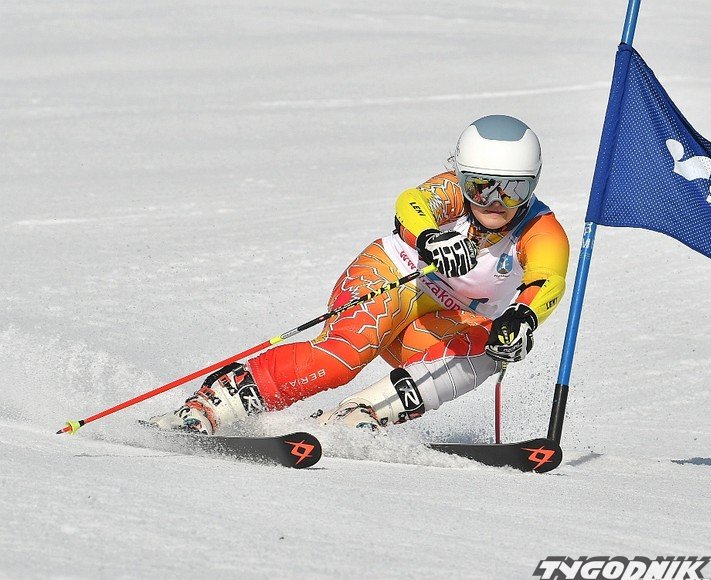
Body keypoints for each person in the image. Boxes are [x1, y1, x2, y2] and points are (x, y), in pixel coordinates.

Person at [148, 115, 569, 434]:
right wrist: (429, 239)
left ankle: (360, 414)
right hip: (392, 280)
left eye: (513, 189)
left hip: (440, 321)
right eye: (480, 186)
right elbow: (412, 203)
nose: (494, 202)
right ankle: (212, 404)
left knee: (494, 349)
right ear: (461, 178)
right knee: (343, 358)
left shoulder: (542, 230)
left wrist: (523, 318)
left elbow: (547, 278)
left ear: (533, 185)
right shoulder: (450, 192)